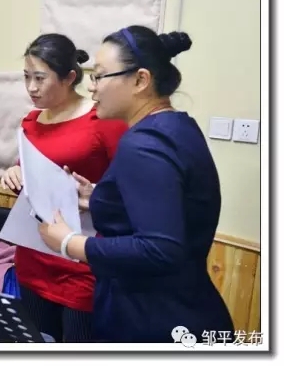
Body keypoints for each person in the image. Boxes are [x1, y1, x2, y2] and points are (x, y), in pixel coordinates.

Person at [37, 25, 235, 343]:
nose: (92, 88)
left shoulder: (144, 143)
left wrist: (69, 243)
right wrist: (98, 196)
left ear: (141, 80)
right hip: (186, 308)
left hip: (153, 320)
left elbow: (159, 248)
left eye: (99, 76)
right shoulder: (176, 127)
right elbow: (171, 204)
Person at [0, 33, 128, 343]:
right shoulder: (31, 121)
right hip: (34, 254)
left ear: (70, 77)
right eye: (26, 77)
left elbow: (128, 186)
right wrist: (15, 171)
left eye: (40, 78)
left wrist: (96, 194)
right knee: (35, 343)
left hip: (81, 259)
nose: (31, 87)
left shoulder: (102, 119)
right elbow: (30, 170)